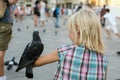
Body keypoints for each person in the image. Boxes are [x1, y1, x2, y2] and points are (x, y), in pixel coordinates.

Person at [32, 7, 108, 80]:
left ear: (77, 29)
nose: (68, 34)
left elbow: (35, 63)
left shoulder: (65, 51)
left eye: (70, 30)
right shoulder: (103, 59)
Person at [0, 0, 18, 80]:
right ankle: (2, 76)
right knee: (0, 54)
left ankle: (2, 76)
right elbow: (12, 1)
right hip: (3, 24)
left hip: (3, 24)